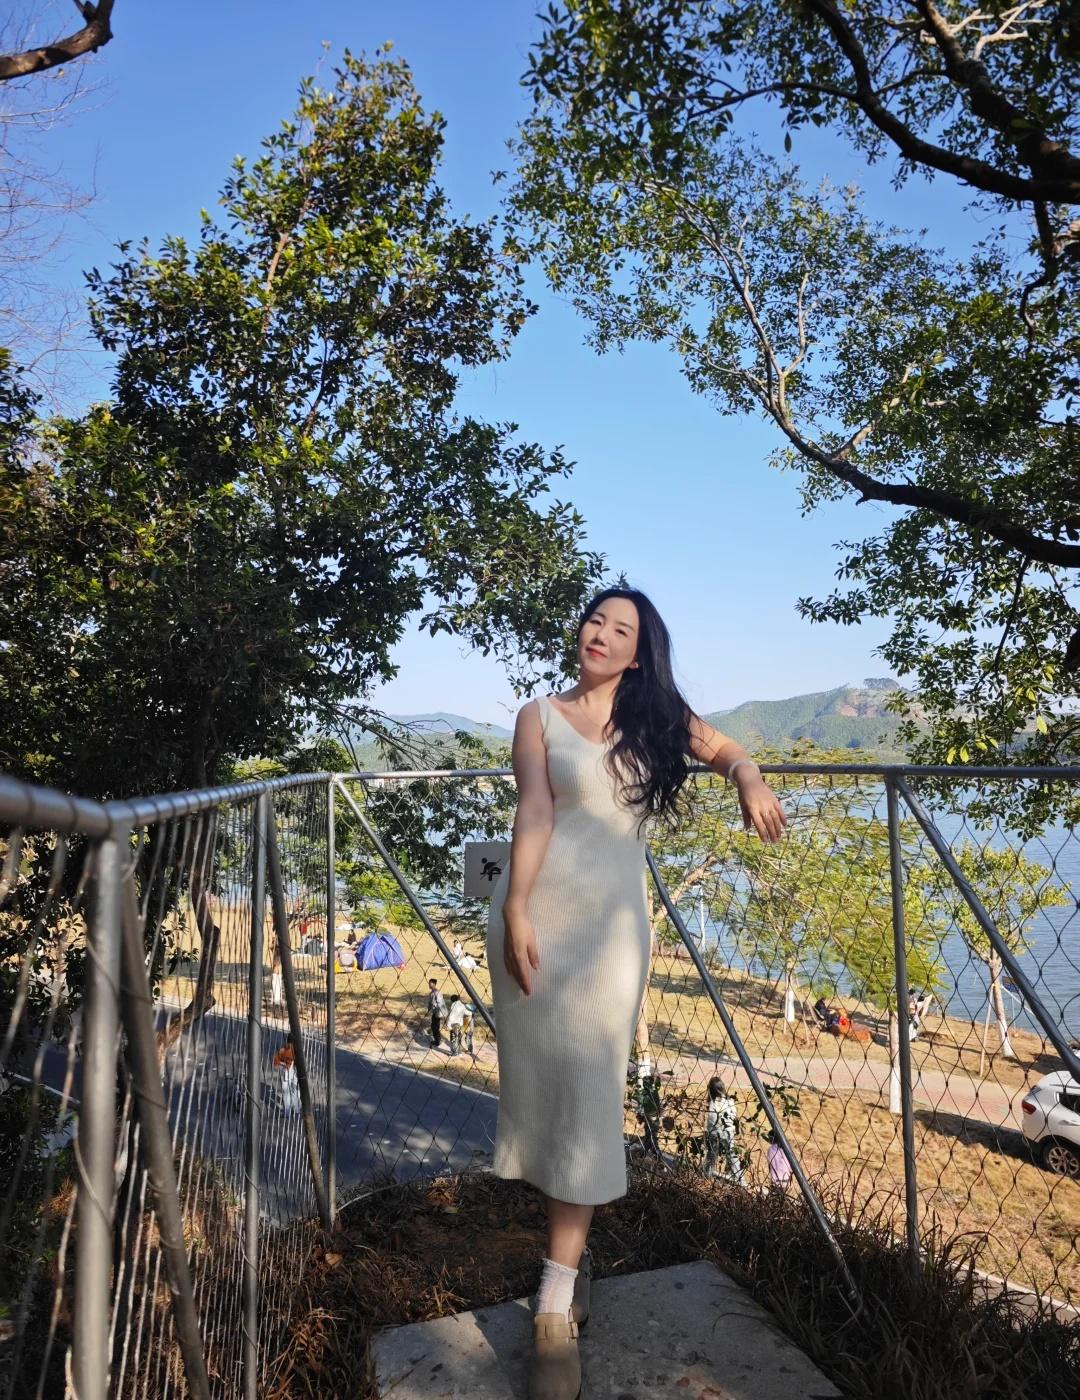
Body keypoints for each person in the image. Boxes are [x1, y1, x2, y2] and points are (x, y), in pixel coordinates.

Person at [484, 586, 786, 1399]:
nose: (602, 634)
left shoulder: (656, 718)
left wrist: (749, 780)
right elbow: (534, 814)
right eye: (596, 620)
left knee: (588, 1097)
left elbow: (728, 750)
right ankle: (567, 1267)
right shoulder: (538, 716)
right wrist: (514, 910)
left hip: (611, 938)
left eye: (622, 629)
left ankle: (553, 1305)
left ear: (638, 652)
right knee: (549, 1100)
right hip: (536, 925)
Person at [703, 1076, 744, 1184]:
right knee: (732, 1156)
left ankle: (706, 1174)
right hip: (728, 1132)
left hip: (714, 1133)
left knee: (711, 1155)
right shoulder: (729, 1101)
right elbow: (733, 1116)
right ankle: (740, 1179)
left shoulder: (711, 1103)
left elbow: (710, 1122)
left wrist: (706, 1134)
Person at [426, 979, 448, 1049]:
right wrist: (428, 1010)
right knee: (434, 1026)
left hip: (438, 1012)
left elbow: (439, 1003)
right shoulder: (431, 993)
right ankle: (437, 1039)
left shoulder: (437, 993)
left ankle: (437, 1041)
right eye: (429, 983)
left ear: (434, 984)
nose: (429, 985)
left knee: (435, 1026)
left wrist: (433, 1006)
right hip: (435, 1012)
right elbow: (430, 1003)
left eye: (430, 983)